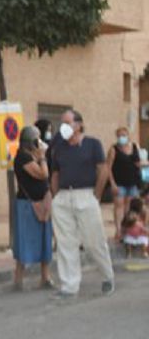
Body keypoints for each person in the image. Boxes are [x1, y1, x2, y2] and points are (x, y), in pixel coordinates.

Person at [50, 116, 115, 296]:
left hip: (85, 195)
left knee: (94, 241)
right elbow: (55, 173)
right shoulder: (59, 147)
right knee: (66, 243)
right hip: (64, 196)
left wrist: (97, 195)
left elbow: (102, 169)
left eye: (67, 122)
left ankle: (107, 276)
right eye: (62, 122)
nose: (63, 126)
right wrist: (56, 197)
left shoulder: (92, 144)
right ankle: (69, 286)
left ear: (78, 125)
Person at [11, 126, 54, 289]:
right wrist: (42, 157)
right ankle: (18, 279)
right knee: (24, 242)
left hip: (42, 202)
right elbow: (43, 174)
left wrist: (42, 156)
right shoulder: (22, 158)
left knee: (44, 240)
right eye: (37, 141)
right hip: (27, 205)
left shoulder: (34, 156)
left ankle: (45, 277)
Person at [105, 126, 145, 241]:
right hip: (119, 182)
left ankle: (127, 229)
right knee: (118, 206)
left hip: (132, 182)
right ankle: (118, 230)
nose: (121, 138)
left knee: (129, 207)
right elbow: (108, 167)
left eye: (123, 135)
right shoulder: (113, 149)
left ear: (128, 135)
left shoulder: (134, 146)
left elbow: (138, 162)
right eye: (119, 135)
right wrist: (112, 183)